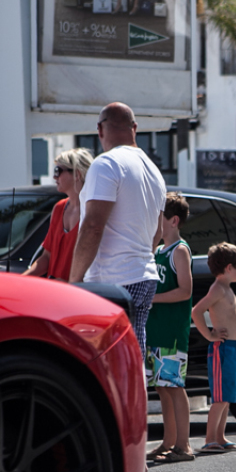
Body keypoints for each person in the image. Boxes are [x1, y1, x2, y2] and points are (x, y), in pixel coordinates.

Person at [69, 102, 167, 359]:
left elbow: (92, 226)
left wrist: (74, 281)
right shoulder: (153, 170)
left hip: (113, 280)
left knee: (106, 363)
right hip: (144, 275)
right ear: (134, 128)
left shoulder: (107, 164)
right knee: (132, 359)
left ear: (100, 130)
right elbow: (157, 232)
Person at [145, 193, 195, 471]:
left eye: (159, 216)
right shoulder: (159, 250)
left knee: (175, 387)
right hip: (156, 330)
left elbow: (185, 291)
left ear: (173, 220)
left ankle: (184, 445)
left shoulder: (180, 250)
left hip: (172, 331)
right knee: (163, 388)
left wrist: (153, 299)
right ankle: (168, 441)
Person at [192, 242, 236, 454]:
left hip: (234, 348)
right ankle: (209, 439)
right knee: (220, 396)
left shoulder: (226, 289)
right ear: (228, 268)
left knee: (228, 396)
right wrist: (209, 334)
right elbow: (197, 311)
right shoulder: (217, 289)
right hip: (222, 350)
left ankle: (220, 437)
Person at [25, 148, 92, 280]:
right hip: (56, 293)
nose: (54, 176)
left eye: (58, 171)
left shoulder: (92, 210)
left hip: (81, 294)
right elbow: (46, 257)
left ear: (77, 174)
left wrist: (70, 284)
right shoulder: (59, 208)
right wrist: (21, 279)